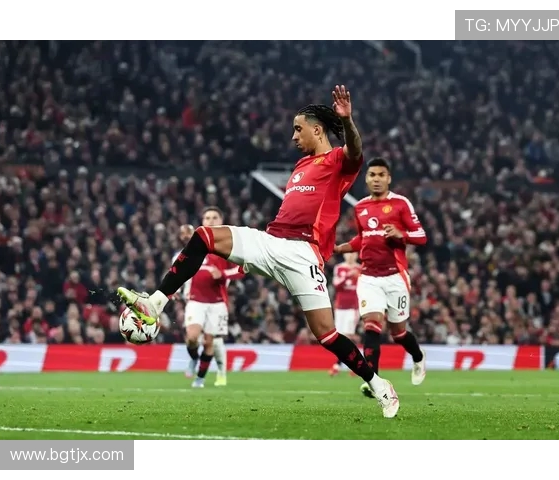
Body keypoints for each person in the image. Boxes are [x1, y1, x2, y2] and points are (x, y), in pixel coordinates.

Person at [117, 85, 400, 418]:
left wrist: (348, 120)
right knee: (204, 236)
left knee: (326, 334)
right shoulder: (300, 166)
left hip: (303, 254)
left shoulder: (337, 160)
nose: (293, 136)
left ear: (317, 130)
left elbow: (355, 149)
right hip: (270, 241)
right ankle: (155, 302)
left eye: (298, 129)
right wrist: (252, 258)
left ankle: (379, 385)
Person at [334, 157, 427, 398]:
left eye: (381, 175)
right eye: (372, 175)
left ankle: (418, 357)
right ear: (366, 179)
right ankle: (373, 380)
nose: (376, 179)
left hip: (395, 277)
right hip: (369, 277)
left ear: (389, 178)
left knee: (398, 333)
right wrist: (340, 248)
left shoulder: (400, 203)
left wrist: (401, 234)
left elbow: (421, 236)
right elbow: (362, 238)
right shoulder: (360, 207)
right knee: (371, 325)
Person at [174, 210, 243, 388]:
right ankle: (194, 359)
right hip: (195, 300)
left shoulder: (229, 246)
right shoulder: (195, 245)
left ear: (221, 220)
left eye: (214, 218)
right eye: (207, 218)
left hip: (217, 302)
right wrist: (175, 289)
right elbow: (178, 269)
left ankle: (201, 379)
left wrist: (223, 274)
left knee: (210, 342)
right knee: (192, 337)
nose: (211, 221)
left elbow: (242, 269)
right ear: (202, 221)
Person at [329, 252, 361, 376]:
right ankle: (356, 363)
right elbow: (336, 284)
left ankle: (339, 365)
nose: (350, 256)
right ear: (344, 255)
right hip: (340, 306)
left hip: (353, 306)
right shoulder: (339, 268)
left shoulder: (360, 269)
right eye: (348, 253)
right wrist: (348, 275)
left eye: (353, 253)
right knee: (340, 337)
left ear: (357, 255)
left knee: (348, 335)